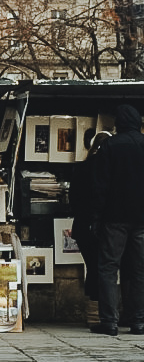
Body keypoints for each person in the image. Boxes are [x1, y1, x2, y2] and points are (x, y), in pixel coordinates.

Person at [91, 105, 144, 336]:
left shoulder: (109, 146)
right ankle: (139, 321)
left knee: (108, 268)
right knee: (140, 270)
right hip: (142, 219)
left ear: (119, 124)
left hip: (114, 217)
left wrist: (96, 217)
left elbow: (100, 186)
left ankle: (109, 322)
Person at [70, 129, 110, 304]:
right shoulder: (110, 169)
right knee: (105, 268)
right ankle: (103, 310)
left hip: (82, 224)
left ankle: (93, 311)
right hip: (105, 224)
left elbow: (73, 199)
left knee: (92, 266)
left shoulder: (81, 168)